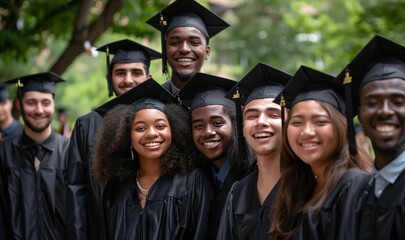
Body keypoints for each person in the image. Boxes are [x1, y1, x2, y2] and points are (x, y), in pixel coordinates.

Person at [91, 78, 213, 239]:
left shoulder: (192, 182)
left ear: (174, 131)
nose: (151, 133)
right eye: (140, 128)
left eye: (160, 126)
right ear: (127, 137)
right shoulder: (116, 189)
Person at [336, 35, 405, 239]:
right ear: (360, 114)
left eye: (397, 101)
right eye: (373, 102)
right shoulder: (361, 191)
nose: (385, 111)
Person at [66, 39, 161, 239]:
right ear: (109, 78)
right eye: (120, 73)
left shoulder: (163, 124)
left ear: (149, 77)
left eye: (136, 72)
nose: (128, 79)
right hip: (100, 230)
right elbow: (76, 190)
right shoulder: (87, 125)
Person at [269, 66, 372, 239]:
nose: (307, 132)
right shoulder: (299, 185)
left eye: (320, 122)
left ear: (343, 128)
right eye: (297, 122)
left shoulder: (355, 185)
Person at [216, 63, 291, 240]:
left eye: (273, 114)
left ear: (291, 124)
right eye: (251, 115)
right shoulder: (238, 193)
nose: (261, 122)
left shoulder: (308, 187)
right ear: (242, 129)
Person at [178, 72, 252, 239]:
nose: (208, 132)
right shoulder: (194, 180)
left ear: (235, 125)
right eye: (198, 126)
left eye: (217, 123)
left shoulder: (249, 176)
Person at [0, 72, 69, 239]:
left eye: (46, 102)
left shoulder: (70, 152)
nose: (39, 110)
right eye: (31, 102)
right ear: (19, 104)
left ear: (53, 104)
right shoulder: (4, 154)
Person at [146, 0, 230, 95]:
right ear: (165, 50)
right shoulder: (151, 102)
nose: (184, 49)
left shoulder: (223, 102)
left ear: (207, 52)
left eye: (194, 43)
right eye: (175, 42)